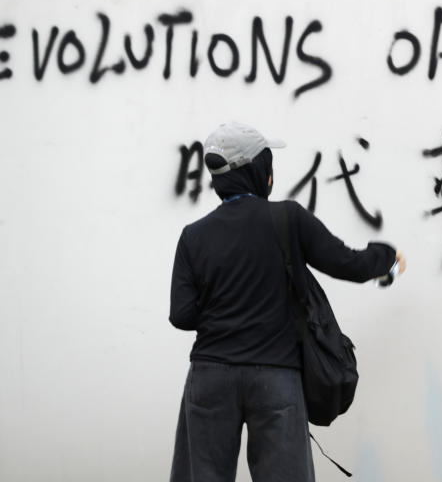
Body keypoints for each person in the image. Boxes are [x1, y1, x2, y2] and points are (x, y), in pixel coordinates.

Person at [169, 122, 406, 482]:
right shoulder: (287, 219)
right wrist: (386, 257)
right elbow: (347, 263)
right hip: (275, 378)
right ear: (258, 171)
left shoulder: (193, 236)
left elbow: (182, 315)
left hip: (210, 376)